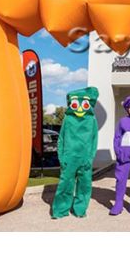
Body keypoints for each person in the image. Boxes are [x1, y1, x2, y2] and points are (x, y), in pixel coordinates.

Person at [51, 86, 99, 219]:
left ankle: (80, 210)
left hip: (85, 158)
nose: (80, 108)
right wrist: (62, 157)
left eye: (84, 104)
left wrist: (90, 158)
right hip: (69, 157)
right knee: (65, 184)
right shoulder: (68, 120)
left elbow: (94, 140)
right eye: (75, 104)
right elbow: (61, 139)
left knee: (84, 185)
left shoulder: (91, 120)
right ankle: (60, 210)